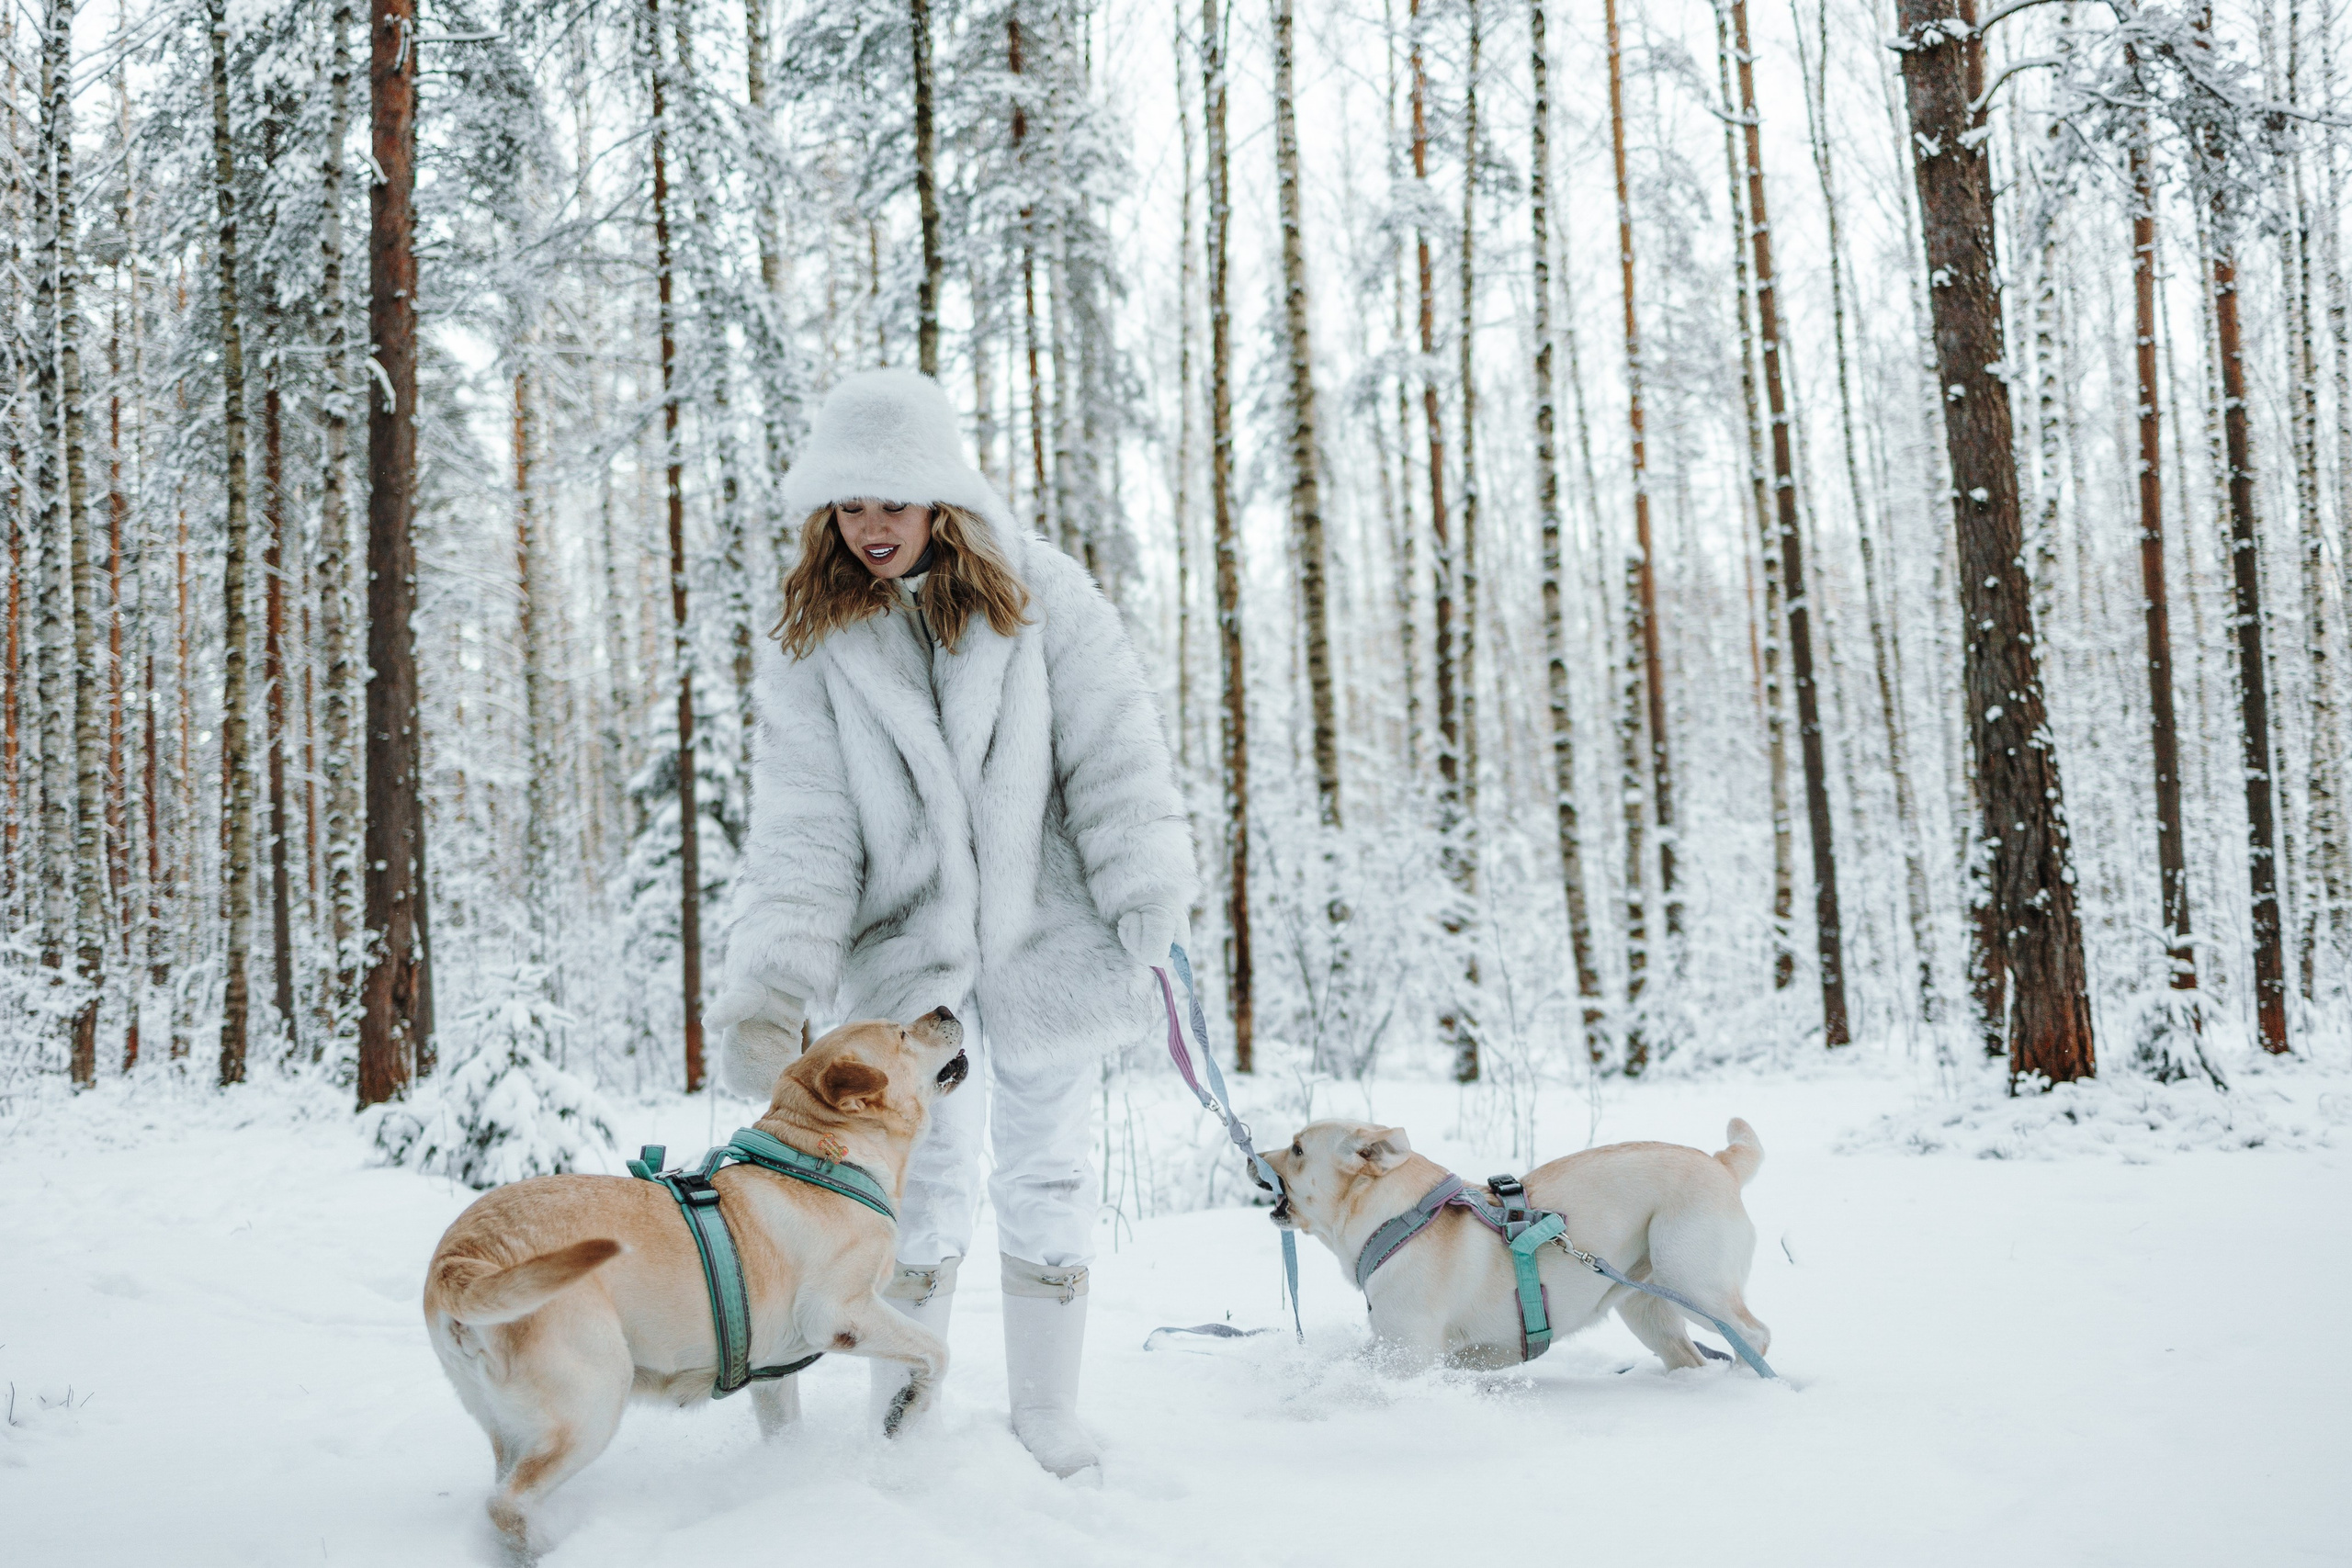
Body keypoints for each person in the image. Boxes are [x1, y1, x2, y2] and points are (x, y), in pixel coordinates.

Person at [707, 368, 1195, 1475]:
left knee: (1047, 1172)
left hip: (1047, 942)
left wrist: (1143, 889)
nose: (872, 527)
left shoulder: (1045, 596)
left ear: (940, 498)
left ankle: (1046, 1410)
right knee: (915, 1190)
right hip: (907, 965)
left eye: (892, 501)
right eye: (849, 505)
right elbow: (804, 825)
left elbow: (1116, 754)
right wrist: (774, 982)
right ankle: (905, 1408)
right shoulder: (819, 644)